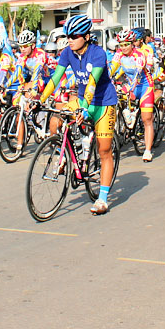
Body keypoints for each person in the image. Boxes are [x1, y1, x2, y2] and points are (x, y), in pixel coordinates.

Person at [37, 15, 118, 215]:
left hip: (103, 103)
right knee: (57, 117)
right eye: (68, 36)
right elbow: (56, 78)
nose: (69, 39)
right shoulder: (67, 53)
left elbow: (92, 82)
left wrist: (84, 108)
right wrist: (39, 100)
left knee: (104, 150)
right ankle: (63, 152)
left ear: (86, 36)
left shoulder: (98, 54)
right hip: (82, 100)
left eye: (74, 36)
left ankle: (102, 199)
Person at [110, 29, 157, 162]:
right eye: (121, 45)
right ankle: (127, 116)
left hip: (144, 86)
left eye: (126, 44)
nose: (124, 48)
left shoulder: (139, 55)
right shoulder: (119, 54)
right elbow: (112, 68)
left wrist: (130, 90)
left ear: (132, 44)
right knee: (116, 99)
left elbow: (137, 75)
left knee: (147, 118)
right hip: (130, 84)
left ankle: (147, 151)